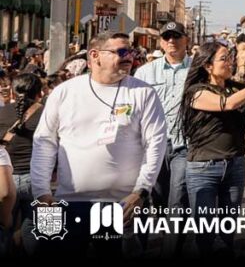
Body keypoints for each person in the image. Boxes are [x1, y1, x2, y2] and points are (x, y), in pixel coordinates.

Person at [30, 32, 167, 257]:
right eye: (121, 51)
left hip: (123, 205)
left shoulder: (144, 92)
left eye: (131, 51)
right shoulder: (65, 92)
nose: (129, 57)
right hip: (65, 202)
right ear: (95, 55)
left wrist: (141, 191)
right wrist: (41, 192)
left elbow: (155, 144)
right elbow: (44, 142)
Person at [178, 42, 245, 258]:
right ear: (208, 66)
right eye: (224, 58)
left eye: (230, 57)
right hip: (203, 169)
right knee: (205, 232)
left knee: (227, 230)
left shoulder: (237, 89)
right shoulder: (196, 92)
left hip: (235, 165)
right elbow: (227, 104)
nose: (230, 62)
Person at [132, 21, 192, 256]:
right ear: (161, 42)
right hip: (153, 146)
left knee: (178, 198)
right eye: (167, 37)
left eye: (176, 36)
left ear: (186, 40)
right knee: (158, 199)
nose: (171, 41)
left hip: (184, 144)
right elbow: (134, 108)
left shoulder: (198, 70)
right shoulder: (145, 72)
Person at [0, 73, 43, 254]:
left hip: (4, 180)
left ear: (12, 91)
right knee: (38, 231)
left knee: (3, 228)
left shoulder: (1, 112)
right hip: (38, 181)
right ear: (40, 93)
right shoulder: (47, 114)